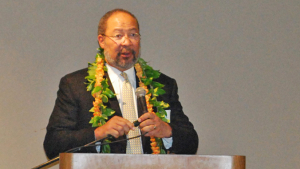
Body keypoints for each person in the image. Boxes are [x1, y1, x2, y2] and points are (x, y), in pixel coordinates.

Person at [44, 8, 198, 159]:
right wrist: (99, 133)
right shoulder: (75, 85)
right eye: (118, 35)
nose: (127, 42)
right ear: (102, 41)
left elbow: (191, 142)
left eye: (133, 35)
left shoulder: (163, 85)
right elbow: (53, 144)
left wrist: (167, 131)